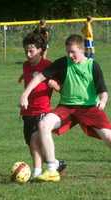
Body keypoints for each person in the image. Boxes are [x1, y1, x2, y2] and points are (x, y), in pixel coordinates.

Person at [20, 34, 111, 182]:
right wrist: (25, 94)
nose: (70, 55)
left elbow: (103, 91)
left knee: (108, 137)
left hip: (89, 108)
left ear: (82, 50)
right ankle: (51, 170)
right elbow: (39, 77)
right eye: (68, 52)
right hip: (66, 107)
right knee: (43, 125)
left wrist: (103, 101)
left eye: (73, 52)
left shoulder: (93, 65)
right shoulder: (63, 63)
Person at [19, 32, 66, 178]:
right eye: (26, 51)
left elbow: (63, 88)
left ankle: (37, 172)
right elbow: (29, 81)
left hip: (42, 111)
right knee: (33, 145)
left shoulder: (48, 66)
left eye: (31, 51)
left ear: (40, 49)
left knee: (34, 141)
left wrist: (55, 85)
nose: (28, 54)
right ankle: (56, 164)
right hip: (27, 111)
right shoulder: (26, 65)